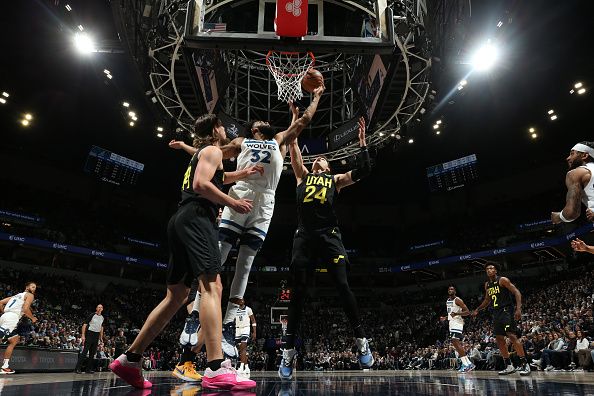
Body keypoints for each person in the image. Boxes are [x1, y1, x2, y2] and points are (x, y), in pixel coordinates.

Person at [169, 86, 324, 362]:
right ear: (253, 129)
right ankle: (194, 315)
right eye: (258, 122)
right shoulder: (240, 140)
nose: (263, 122)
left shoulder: (279, 139)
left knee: (247, 261)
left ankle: (229, 323)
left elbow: (303, 122)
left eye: (265, 121)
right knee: (218, 253)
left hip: (265, 202)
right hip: (238, 193)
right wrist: (185, 148)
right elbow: (210, 155)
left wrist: (316, 98)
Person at [109, 113, 257, 391]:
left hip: (180, 220)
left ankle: (130, 358)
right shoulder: (213, 149)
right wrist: (232, 203)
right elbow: (202, 184)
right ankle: (215, 367)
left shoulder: (204, 152)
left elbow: (218, 177)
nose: (225, 130)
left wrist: (242, 175)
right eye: (223, 126)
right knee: (213, 286)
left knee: (176, 295)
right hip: (197, 217)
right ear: (215, 129)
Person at [278, 117, 374, 380]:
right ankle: (288, 352)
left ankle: (361, 341)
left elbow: (364, 170)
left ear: (328, 166)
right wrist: (295, 123)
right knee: (297, 293)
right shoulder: (302, 177)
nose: (317, 159)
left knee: (343, 285)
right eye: (315, 159)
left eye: (322, 159)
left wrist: (363, 144)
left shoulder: (336, 180)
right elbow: (294, 144)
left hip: (330, 236)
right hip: (305, 236)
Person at [471, 263, 530, 376]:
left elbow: (516, 292)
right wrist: (478, 309)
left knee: (511, 335)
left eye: (492, 268)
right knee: (499, 339)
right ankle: (508, 365)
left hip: (506, 310)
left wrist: (518, 309)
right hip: (496, 312)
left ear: (496, 271)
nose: (489, 270)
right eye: (487, 269)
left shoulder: (502, 280)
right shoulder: (487, 284)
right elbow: (487, 300)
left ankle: (524, 364)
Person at [551, 141, 594, 224]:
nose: (568, 158)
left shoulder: (577, 173)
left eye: (572, 154)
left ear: (584, 155)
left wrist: (559, 217)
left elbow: (572, 213)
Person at [0, 281, 37, 374]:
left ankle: (5, 366)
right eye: (32, 287)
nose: (34, 289)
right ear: (27, 287)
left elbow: (0, 302)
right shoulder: (30, 295)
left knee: (14, 340)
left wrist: (5, 313)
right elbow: (25, 309)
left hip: (5, 316)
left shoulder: (16, 296)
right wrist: (32, 318)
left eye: (35, 288)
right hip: (11, 318)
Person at [439, 285, 474, 372]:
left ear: (455, 291)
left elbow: (467, 312)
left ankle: (466, 364)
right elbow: (451, 314)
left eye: (452, 289)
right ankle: (468, 363)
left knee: (455, 342)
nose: (450, 290)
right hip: (451, 323)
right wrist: (445, 318)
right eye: (449, 289)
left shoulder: (458, 300)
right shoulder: (447, 301)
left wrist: (457, 314)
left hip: (457, 323)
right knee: (455, 343)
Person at [75, 304, 105, 374]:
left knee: (92, 353)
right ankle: (77, 368)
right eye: (98, 307)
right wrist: (83, 335)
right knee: (85, 352)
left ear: (102, 309)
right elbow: (85, 324)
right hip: (90, 334)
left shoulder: (102, 318)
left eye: (101, 307)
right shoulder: (92, 315)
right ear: (96, 308)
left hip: (96, 335)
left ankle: (88, 369)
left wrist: (101, 338)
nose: (100, 308)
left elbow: (101, 328)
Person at [234, 298, 257, 378]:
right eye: (240, 300)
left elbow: (253, 321)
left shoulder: (248, 309)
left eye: (243, 299)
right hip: (237, 329)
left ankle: (241, 367)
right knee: (241, 349)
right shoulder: (235, 310)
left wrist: (254, 332)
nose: (241, 301)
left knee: (243, 348)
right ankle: (247, 367)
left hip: (245, 328)